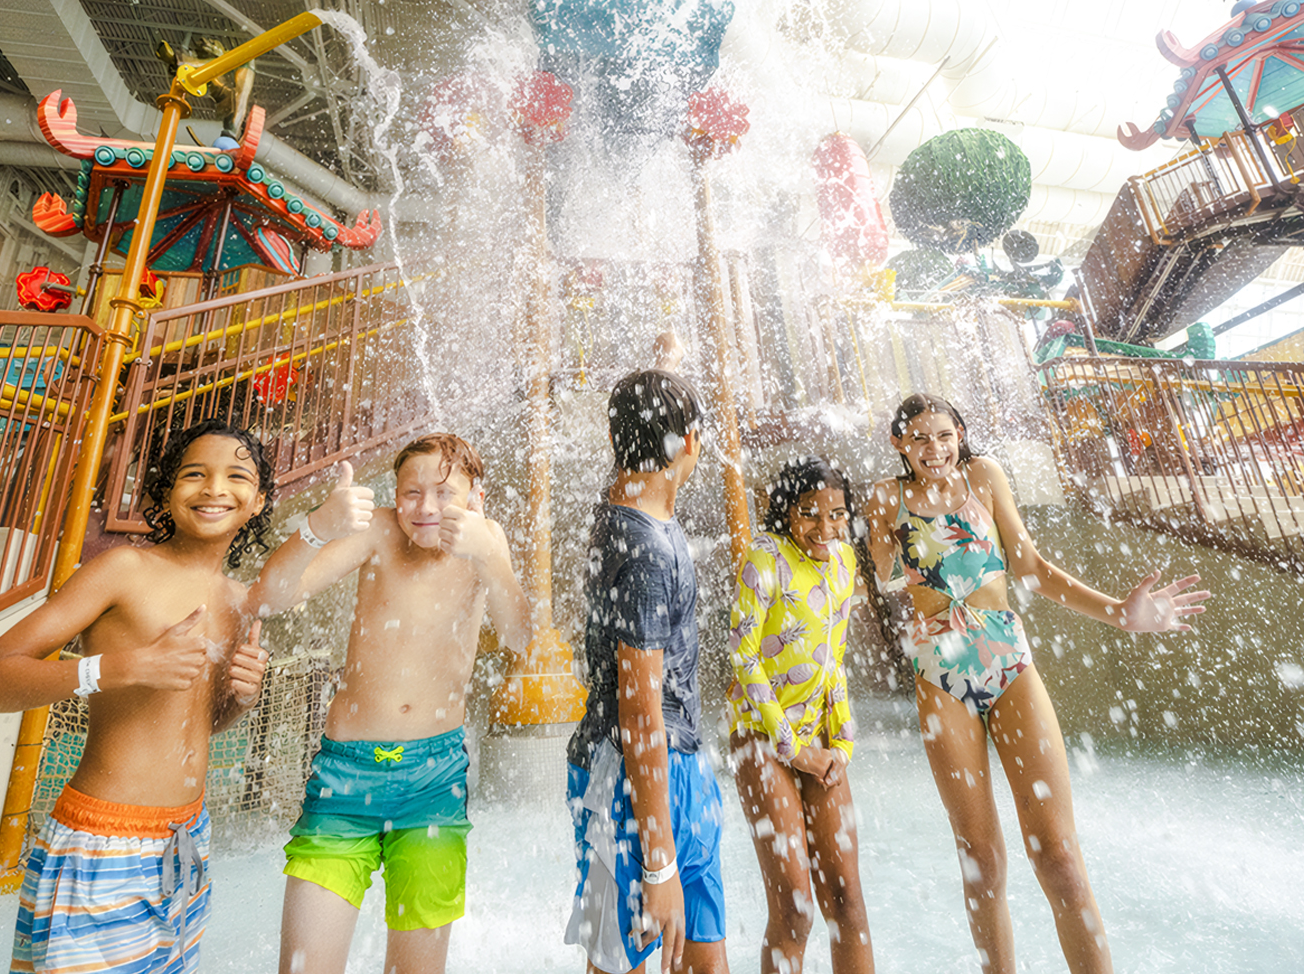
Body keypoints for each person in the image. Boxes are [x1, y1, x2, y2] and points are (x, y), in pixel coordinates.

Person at [0, 419, 344, 973]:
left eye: (236, 476)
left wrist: (240, 697)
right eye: (194, 474)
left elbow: (190, 725)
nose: (214, 489)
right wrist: (124, 666)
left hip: (186, 840)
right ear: (163, 491)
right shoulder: (123, 570)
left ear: (257, 502)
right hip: (101, 842)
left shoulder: (237, 600)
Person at [865, 393, 1209, 974]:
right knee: (982, 859)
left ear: (961, 434)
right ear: (899, 444)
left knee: (1059, 859)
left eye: (944, 435)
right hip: (938, 668)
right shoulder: (885, 497)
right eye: (919, 438)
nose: (934, 448)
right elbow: (885, 576)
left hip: (1006, 657)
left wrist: (1121, 613)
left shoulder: (985, 475)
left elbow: (1031, 569)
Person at [250, 431, 532, 974]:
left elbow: (520, 636)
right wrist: (316, 529)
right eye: (411, 492)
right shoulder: (379, 531)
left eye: (444, 494)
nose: (425, 508)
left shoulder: (484, 542)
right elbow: (274, 595)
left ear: (475, 498)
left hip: (434, 779)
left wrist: (494, 556)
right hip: (346, 776)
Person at [565, 369, 729, 974]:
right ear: (689, 441)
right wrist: (658, 862)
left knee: (705, 957)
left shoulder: (633, 510)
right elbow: (638, 712)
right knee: (620, 963)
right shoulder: (646, 550)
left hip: (679, 766)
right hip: (626, 778)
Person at [728, 457, 875, 974]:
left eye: (836, 515)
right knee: (794, 908)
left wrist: (842, 746)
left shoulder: (845, 563)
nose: (824, 527)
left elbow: (832, 660)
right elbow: (742, 654)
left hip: (819, 740)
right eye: (809, 513)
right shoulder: (763, 558)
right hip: (760, 737)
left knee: (848, 902)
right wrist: (793, 747)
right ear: (786, 511)